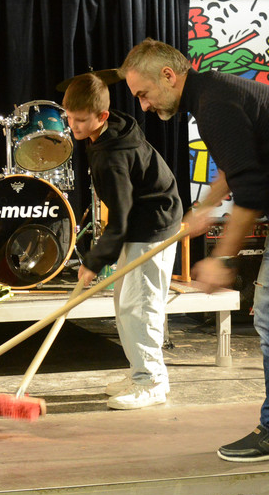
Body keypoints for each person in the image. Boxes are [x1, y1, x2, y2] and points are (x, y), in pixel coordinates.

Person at [120, 38, 269, 462]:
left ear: (169, 76)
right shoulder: (213, 95)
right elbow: (238, 171)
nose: (143, 105)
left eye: (143, 94)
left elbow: (250, 193)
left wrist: (221, 258)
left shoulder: (214, 106)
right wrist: (203, 208)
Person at [62, 73, 183, 410]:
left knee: (139, 307)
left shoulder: (113, 154)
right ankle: (143, 373)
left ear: (102, 115)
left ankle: (150, 383)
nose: (73, 126)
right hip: (141, 221)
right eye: (69, 117)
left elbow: (121, 216)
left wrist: (94, 261)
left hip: (152, 225)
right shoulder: (108, 132)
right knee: (127, 304)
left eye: (80, 120)